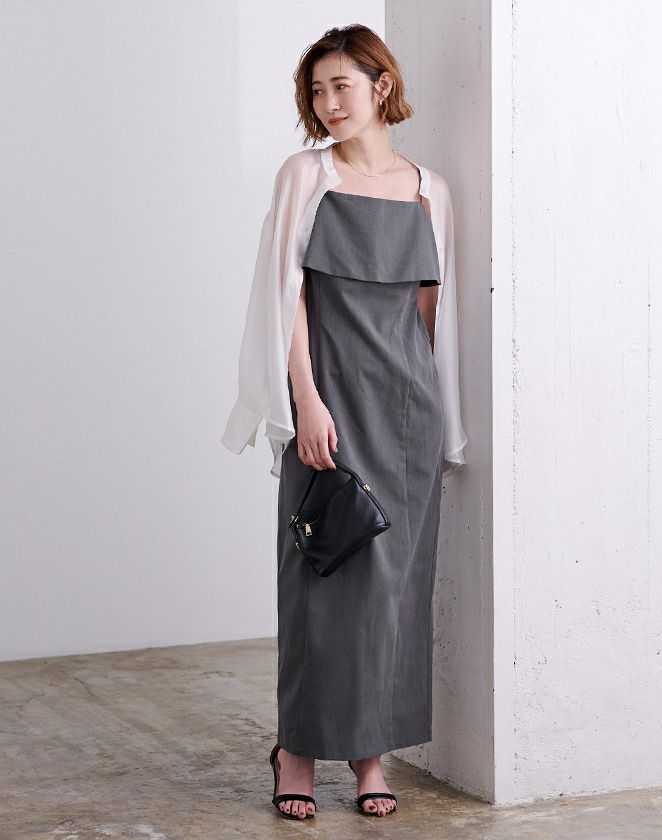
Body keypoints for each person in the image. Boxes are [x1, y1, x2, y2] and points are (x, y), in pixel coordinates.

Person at [221, 24, 468, 821]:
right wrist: (307, 400)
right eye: (317, 90)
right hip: (327, 403)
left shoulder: (430, 191)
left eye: (342, 87)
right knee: (318, 577)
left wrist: (433, 417)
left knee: (394, 589)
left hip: (406, 410)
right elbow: (284, 295)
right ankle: (296, 750)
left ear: (380, 87)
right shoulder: (307, 176)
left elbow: (431, 314)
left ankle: (371, 755)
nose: (328, 103)